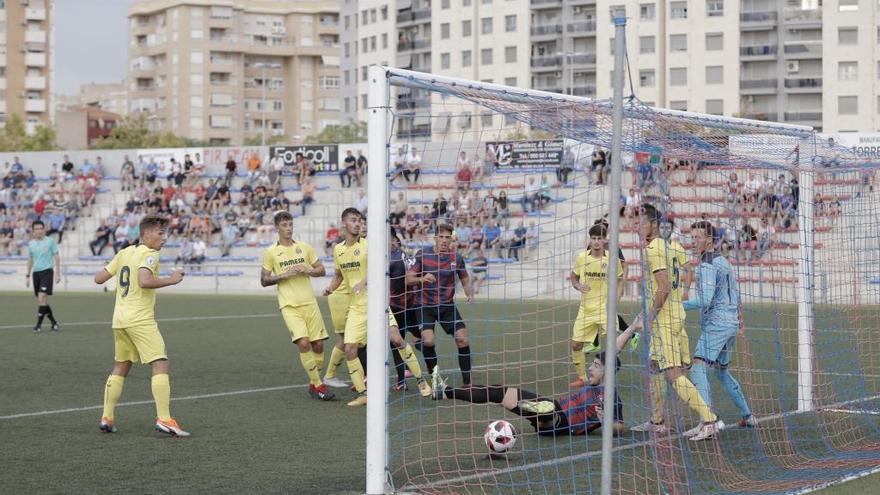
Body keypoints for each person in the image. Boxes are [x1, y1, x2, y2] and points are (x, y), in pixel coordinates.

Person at [431, 326, 636, 436]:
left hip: (560, 423)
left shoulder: (611, 398)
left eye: (596, 366)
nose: (590, 368)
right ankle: (445, 391)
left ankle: (530, 408)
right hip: (553, 408)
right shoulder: (595, 382)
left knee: (545, 408)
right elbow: (614, 349)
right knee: (497, 391)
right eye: (592, 364)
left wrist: (605, 420)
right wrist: (632, 328)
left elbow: (619, 427)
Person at [92, 215, 190, 436]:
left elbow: (99, 278)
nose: (164, 238)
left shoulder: (125, 252)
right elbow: (144, 281)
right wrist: (171, 279)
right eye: (160, 233)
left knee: (122, 365)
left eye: (165, 233)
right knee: (160, 362)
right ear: (146, 235)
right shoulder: (150, 253)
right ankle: (165, 419)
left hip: (119, 320)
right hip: (139, 319)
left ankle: (107, 417)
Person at [630, 204, 720, 441]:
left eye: (640, 222)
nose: (635, 226)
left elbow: (664, 286)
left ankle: (709, 420)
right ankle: (657, 421)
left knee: (673, 373)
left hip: (666, 319)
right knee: (654, 365)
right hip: (670, 316)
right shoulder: (667, 247)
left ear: (653, 224)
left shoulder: (655, 248)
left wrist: (649, 317)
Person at [683, 221, 757, 435]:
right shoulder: (723, 260)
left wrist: (679, 305)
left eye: (698, 238)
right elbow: (736, 291)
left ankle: (708, 422)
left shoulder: (707, 263)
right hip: (730, 323)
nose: (694, 242)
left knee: (698, 365)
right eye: (692, 238)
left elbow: (706, 299)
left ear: (709, 240)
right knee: (722, 372)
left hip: (717, 324)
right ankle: (748, 416)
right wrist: (739, 320)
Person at [260, 211, 334, 401]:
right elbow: (264, 280)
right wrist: (282, 275)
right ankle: (319, 385)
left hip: (309, 302)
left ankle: (313, 383)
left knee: (318, 345)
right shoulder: (271, 252)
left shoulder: (304, 247)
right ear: (278, 228)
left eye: (290, 224)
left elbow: (322, 270)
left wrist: (308, 270)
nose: (289, 228)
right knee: (303, 342)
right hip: (289, 305)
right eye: (285, 225)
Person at [407, 224, 475, 386]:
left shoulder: (456, 258)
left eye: (447, 237)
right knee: (429, 342)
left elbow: (464, 278)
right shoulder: (423, 254)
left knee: (463, 339)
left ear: (451, 239)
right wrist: (421, 279)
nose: (444, 240)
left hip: (446, 306)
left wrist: (469, 293)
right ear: (435, 238)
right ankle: (435, 377)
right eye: (441, 237)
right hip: (424, 306)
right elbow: (408, 279)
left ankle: (468, 383)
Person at [321, 208, 369, 406]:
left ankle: (419, 383)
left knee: (396, 339)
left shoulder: (368, 245)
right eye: (353, 220)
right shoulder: (338, 249)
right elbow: (339, 274)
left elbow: (381, 266)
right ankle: (364, 392)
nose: (358, 224)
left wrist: (364, 282)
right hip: (356, 305)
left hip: (375, 303)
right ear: (344, 224)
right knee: (350, 346)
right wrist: (330, 288)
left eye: (359, 220)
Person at [568, 223, 623, 386]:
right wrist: (578, 286)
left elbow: (620, 278)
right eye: (593, 238)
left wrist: (618, 295)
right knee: (576, 344)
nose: (596, 241)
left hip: (605, 309)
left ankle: (606, 377)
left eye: (599, 238)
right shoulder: (581, 258)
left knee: (613, 344)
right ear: (590, 240)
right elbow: (573, 277)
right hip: (586, 310)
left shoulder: (612, 259)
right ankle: (582, 378)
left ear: (604, 240)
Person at [388, 227, 431, 394]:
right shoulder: (403, 255)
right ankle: (430, 370)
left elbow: (401, 285)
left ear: (394, 240)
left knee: (397, 342)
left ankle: (403, 380)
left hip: (399, 306)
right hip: (411, 304)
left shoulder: (395, 259)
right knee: (420, 339)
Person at [26, 220, 61, 333]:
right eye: (36, 229)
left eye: (41, 228)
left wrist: (58, 272)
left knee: (41, 297)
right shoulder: (31, 244)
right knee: (42, 301)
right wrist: (27, 275)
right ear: (33, 231)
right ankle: (54, 323)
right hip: (36, 273)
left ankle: (38, 326)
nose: (39, 231)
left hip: (47, 272)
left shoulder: (50, 241)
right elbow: (30, 259)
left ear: (44, 229)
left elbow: (56, 255)